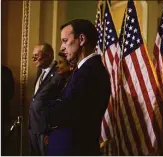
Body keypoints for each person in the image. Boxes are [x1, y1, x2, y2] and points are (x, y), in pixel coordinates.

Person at [49, 19, 111, 155]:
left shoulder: (90, 72)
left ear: (81, 39)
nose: (61, 47)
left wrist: (47, 108)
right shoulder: (83, 70)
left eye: (65, 40)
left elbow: (64, 113)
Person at [28, 43, 65, 155]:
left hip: (46, 131)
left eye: (36, 55)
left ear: (49, 55)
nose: (33, 58)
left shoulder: (60, 72)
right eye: (32, 55)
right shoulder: (40, 71)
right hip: (33, 127)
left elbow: (60, 103)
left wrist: (51, 132)